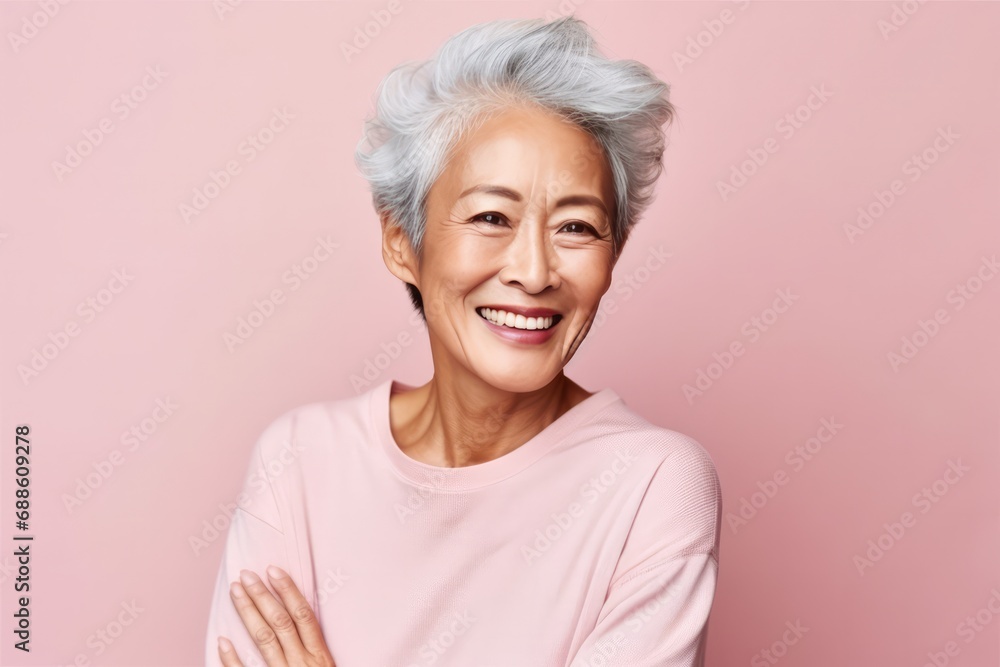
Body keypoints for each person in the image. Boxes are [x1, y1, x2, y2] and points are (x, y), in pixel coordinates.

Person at [204, 14, 722, 667]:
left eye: (577, 227)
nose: (534, 271)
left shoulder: (654, 484)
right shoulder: (300, 460)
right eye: (491, 217)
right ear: (401, 242)